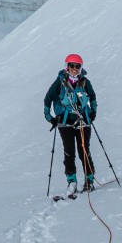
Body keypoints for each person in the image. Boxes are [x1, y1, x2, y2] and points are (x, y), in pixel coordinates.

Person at [43, 53, 98, 192]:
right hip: (65, 122)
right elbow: (47, 100)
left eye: (77, 66)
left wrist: (93, 113)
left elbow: (93, 98)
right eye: (71, 65)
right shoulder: (59, 83)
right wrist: (50, 118)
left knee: (83, 151)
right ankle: (71, 181)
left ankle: (89, 179)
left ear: (80, 67)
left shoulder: (85, 82)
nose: (74, 68)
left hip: (83, 121)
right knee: (69, 152)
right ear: (66, 67)